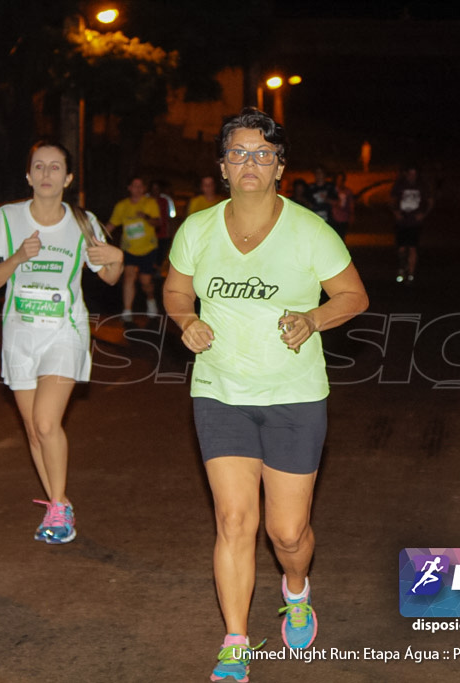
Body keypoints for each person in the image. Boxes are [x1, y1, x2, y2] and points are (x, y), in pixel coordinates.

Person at [163, 107, 368, 682]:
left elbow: (354, 295)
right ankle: (234, 640)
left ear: (280, 167)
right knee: (233, 522)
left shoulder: (310, 230)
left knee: (287, 532)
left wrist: (313, 318)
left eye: (262, 154)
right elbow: (176, 289)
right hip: (219, 392)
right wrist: (185, 321)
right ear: (222, 166)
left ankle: (296, 589)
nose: (249, 162)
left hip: (294, 398)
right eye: (238, 153)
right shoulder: (197, 229)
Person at [0, 140, 123, 544]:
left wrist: (118, 259)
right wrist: (18, 258)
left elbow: (108, 277)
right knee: (32, 428)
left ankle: (58, 506)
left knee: (46, 420)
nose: (46, 175)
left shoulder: (82, 222)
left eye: (55, 168)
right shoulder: (6, 219)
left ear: (68, 177)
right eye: (38, 167)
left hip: (65, 331)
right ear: (28, 175)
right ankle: (60, 504)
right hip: (20, 334)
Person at [106, 176, 160, 322]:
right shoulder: (122, 206)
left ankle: (150, 299)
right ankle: (127, 310)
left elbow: (157, 221)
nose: (137, 189)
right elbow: (112, 224)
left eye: (140, 186)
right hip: (129, 248)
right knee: (129, 277)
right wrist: (98, 237)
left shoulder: (149, 203)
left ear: (143, 189)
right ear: (129, 188)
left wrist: (146, 217)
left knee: (145, 281)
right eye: (134, 186)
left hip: (147, 248)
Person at [391, 163, 433, 284]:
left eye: (414, 174)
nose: (412, 176)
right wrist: (396, 212)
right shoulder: (400, 184)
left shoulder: (422, 185)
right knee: (402, 248)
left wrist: (423, 214)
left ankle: (411, 273)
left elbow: (430, 201)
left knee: (413, 248)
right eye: (410, 173)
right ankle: (402, 267)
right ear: (406, 173)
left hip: (415, 222)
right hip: (402, 221)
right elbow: (391, 200)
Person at [329, 172, 355, 240]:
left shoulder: (348, 191)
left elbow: (351, 205)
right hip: (333, 219)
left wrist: (351, 216)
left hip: (343, 219)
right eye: (338, 179)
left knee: (341, 237)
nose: (339, 181)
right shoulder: (332, 191)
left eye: (341, 179)